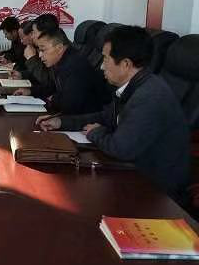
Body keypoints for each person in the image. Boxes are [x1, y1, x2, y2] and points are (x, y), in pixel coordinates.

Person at [36, 26, 190, 204]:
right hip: (134, 172)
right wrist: (61, 122)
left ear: (125, 64)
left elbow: (120, 148)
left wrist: (96, 132)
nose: (102, 66)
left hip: (155, 191)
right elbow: (105, 117)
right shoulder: (134, 86)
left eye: (106, 59)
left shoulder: (149, 97)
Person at [14, 28, 109, 115]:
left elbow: (69, 104)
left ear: (59, 48)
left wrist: (53, 98)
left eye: (43, 50)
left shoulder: (74, 65)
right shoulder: (61, 60)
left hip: (85, 120)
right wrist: (31, 91)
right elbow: (53, 86)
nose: (40, 55)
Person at [23, 14, 60, 86]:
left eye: (34, 32)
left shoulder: (55, 48)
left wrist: (31, 59)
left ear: (44, 33)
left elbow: (49, 82)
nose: (32, 36)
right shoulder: (40, 46)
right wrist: (22, 74)